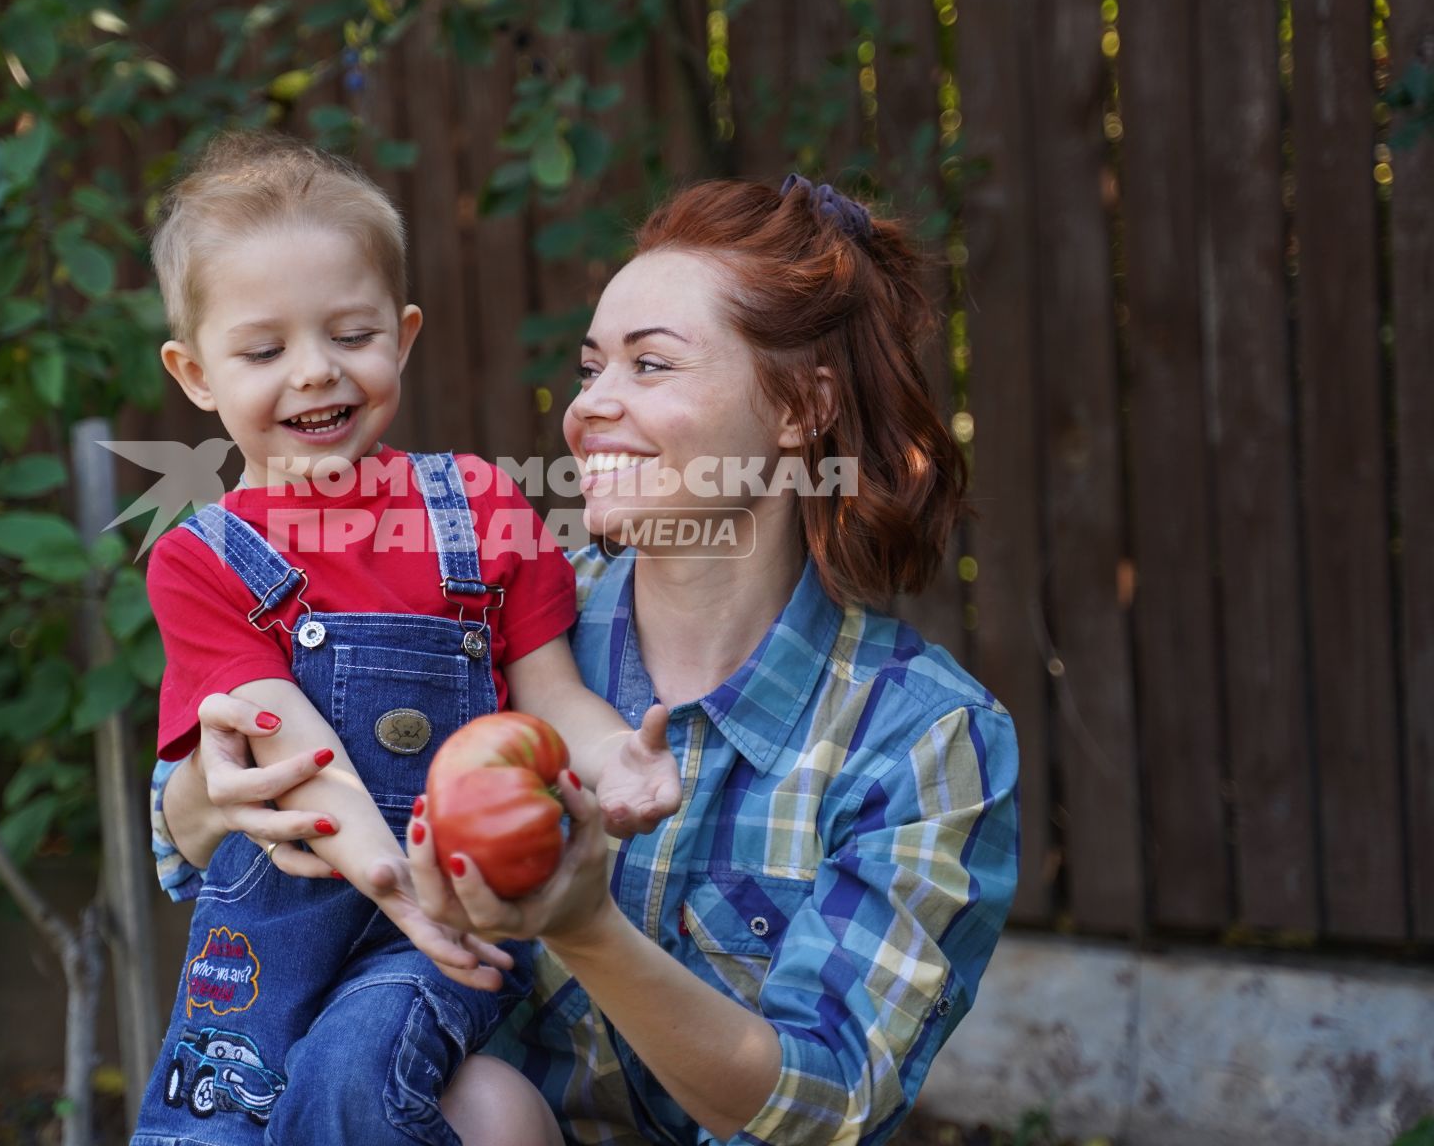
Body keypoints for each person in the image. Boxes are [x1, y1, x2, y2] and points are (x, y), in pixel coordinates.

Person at [152, 171, 1022, 1145]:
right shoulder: (480, 612)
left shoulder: (919, 739)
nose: (588, 408)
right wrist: (198, 793)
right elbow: (195, 845)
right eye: (589, 366)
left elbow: (824, 1106)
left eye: (649, 366)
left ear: (797, 408)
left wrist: (583, 926)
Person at [130, 130, 681, 1146]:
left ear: (404, 333)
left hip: (444, 929)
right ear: (195, 373)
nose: (314, 372)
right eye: (263, 350)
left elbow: (549, 695)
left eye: (350, 332)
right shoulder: (201, 560)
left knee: (356, 1071)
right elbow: (296, 751)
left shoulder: (478, 506)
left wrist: (616, 760)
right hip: (261, 952)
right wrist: (392, 878)